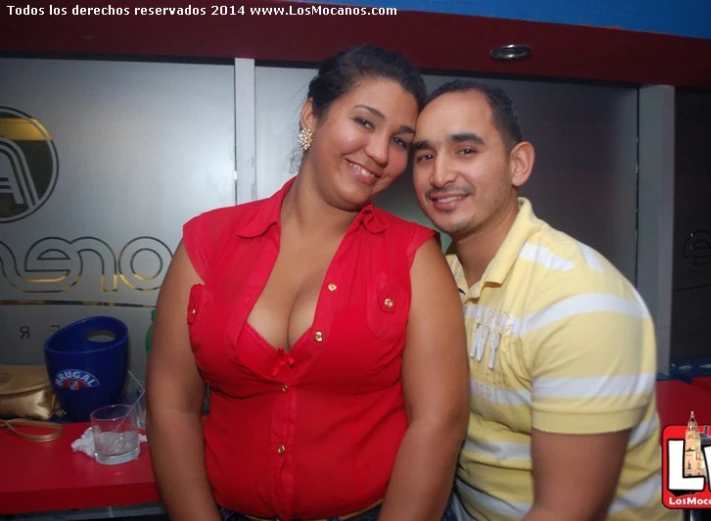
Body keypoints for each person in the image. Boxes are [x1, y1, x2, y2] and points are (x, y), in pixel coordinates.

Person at [146, 46, 469, 521]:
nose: (380, 153)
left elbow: (439, 423)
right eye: (364, 122)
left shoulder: (414, 256)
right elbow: (171, 405)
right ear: (312, 115)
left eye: (400, 142)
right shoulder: (208, 242)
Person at [411, 79, 680, 521]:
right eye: (425, 156)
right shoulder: (440, 274)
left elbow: (566, 511)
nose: (439, 175)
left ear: (518, 164)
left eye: (465, 150)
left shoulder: (581, 301)